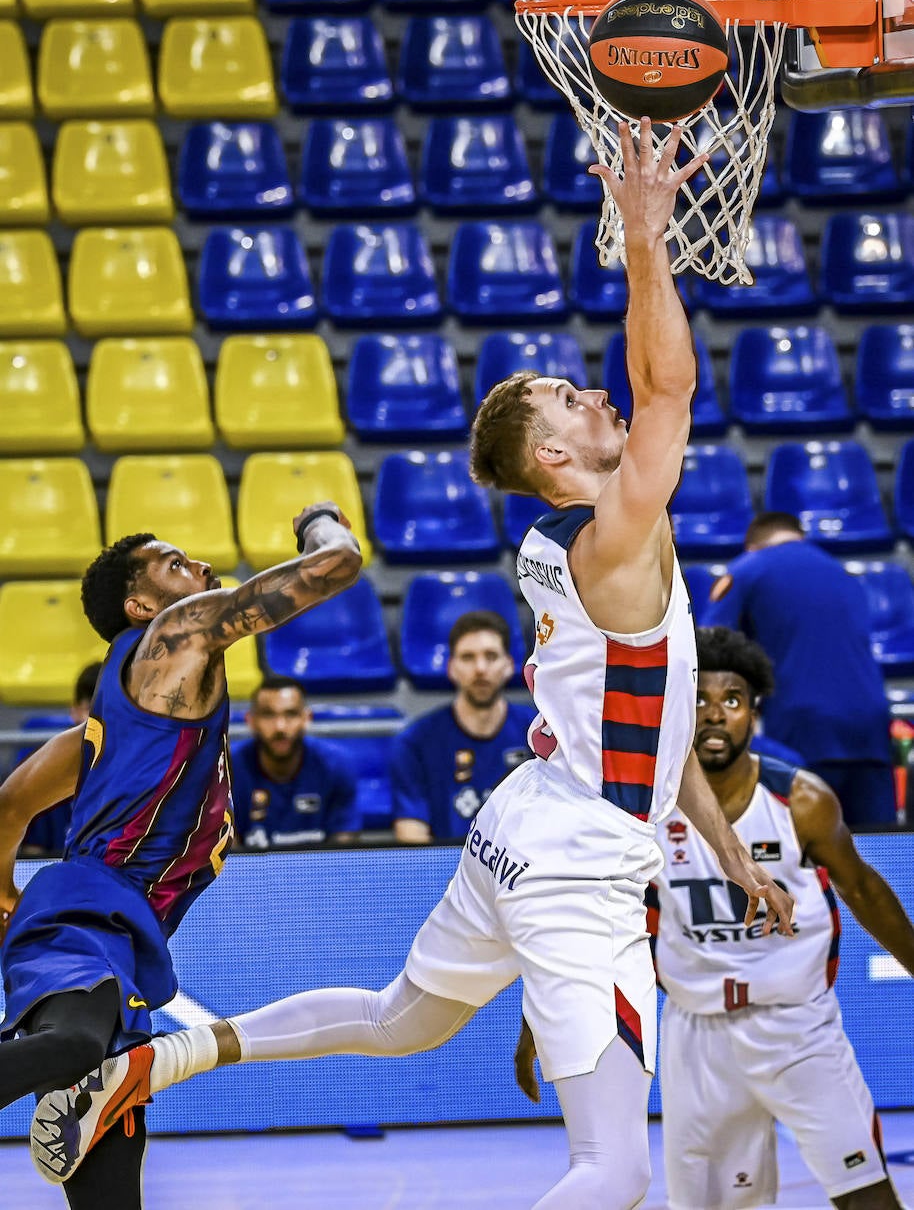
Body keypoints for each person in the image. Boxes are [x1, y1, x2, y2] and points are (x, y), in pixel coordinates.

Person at [31, 121, 795, 1210]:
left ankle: (161, 1060)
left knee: (400, 1021)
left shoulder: (562, 545)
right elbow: (666, 386)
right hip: (578, 862)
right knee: (616, 1171)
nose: (596, 396)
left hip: (525, 823)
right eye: (569, 402)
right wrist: (642, 236)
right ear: (551, 459)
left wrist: (723, 855)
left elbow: (659, 731)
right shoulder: (616, 538)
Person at [0, 503, 361, 1209]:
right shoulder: (177, 632)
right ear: (142, 606)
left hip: (123, 938)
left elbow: (10, 804)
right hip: (83, 915)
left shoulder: (122, 721)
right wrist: (320, 517)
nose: (196, 565)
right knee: (75, 1046)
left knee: (110, 1189)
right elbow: (334, 565)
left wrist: (4, 896)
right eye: (173, 564)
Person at [516, 625, 913, 1208]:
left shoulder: (801, 801)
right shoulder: (643, 810)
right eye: (699, 699)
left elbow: (865, 891)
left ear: (755, 712)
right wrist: (539, 1022)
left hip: (798, 1028)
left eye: (732, 701)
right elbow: (596, 923)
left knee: (864, 1192)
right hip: (697, 1035)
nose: (713, 715)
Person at [707, 511, 896, 826]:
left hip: (802, 729)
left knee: (804, 856)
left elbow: (711, 647)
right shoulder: (844, 574)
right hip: (871, 728)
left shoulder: (748, 568)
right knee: (878, 854)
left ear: (753, 545)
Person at [392, 610, 532, 843]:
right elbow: (411, 836)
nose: (480, 668)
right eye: (468, 657)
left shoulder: (539, 733)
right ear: (451, 668)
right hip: (446, 872)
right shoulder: (414, 743)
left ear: (509, 665)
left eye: (491, 656)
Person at [232, 675, 360, 848]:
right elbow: (227, 854)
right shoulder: (227, 769)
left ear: (307, 719)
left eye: (290, 714)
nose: (280, 727)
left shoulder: (337, 765)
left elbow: (344, 845)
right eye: (268, 715)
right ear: (251, 721)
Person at [18, 661, 102, 858]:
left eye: (112, 711)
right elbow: (32, 857)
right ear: (74, 711)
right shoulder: (45, 777)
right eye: (92, 708)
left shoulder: (141, 778)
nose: (101, 720)